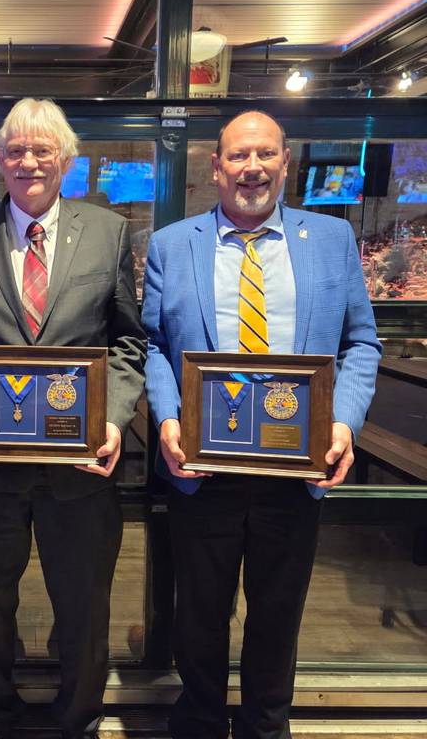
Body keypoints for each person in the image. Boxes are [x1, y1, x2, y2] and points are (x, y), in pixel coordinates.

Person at [142, 110, 381, 739]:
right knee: (198, 617)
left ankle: (266, 727)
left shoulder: (331, 239)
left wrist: (343, 423)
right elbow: (155, 346)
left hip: (294, 466)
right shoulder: (172, 244)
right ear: (215, 166)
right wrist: (167, 418)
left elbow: (361, 343)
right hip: (203, 467)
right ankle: (199, 723)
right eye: (239, 156)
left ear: (286, 163)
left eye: (266, 154)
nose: (253, 168)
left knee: (277, 617)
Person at [0, 98, 145, 739]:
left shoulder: (109, 231)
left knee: (84, 605)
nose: (29, 161)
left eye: (42, 149)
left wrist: (113, 420)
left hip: (80, 467)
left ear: (66, 160)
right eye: (16, 150)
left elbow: (128, 341)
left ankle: (78, 719)